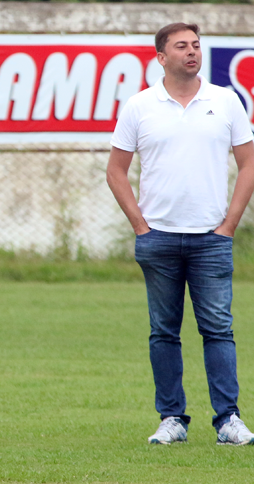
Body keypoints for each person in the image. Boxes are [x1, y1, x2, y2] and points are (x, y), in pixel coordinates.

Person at [107, 22, 254, 445]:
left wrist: (228, 225)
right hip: (159, 240)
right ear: (161, 57)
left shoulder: (225, 101)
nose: (192, 52)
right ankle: (172, 418)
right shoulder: (140, 105)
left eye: (196, 45)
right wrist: (140, 224)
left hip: (212, 239)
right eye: (181, 46)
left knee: (218, 330)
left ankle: (228, 419)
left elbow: (248, 164)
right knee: (163, 332)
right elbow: (115, 172)